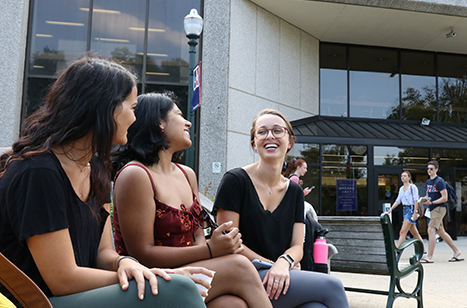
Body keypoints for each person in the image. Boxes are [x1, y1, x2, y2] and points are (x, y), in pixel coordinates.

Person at [0, 58, 208, 307]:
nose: (135, 118)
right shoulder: (38, 172)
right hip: (39, 301)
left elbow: (102, 253)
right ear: (106, 108)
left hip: (79, 294)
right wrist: (151, 275)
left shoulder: (96, 169)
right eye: (132, 108)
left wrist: (124, 263)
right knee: (179, 288)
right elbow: (62, 278)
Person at [111, 92, 272, 308]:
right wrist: (211, 250)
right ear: (159, 123)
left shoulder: (187, 174)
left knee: (232, 304)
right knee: (239, 266)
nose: (188, 122)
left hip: (191, 270)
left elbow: (197, 236)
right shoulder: (135, 174)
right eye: (178, 114)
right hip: (150, 278)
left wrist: (213, 247)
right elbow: (142, 253)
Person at [213, 109, 349, 307]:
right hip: (242, 274)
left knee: (316, 307)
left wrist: (284, 262)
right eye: (262, 131)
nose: (270, 136)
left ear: (290, 141)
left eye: (277, 130)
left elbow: (297, 246)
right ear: (254, 142)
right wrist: (273, 265)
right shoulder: (235, 181)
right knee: (333, 287)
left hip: (280, 272)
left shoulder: (294, 191)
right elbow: (230, 244)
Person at [418, 161, 463, 263]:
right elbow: (428, 195)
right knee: (440, 231)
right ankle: (456, 251)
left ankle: (429, 257)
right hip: (432, 208)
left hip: (439, 208)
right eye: (428, 168)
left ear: (436, 170)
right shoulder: (428, 182)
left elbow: (445, 197)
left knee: (430, 229)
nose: (429, 170)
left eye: (431, 169)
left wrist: (432, 202)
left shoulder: (440, 181)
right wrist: (423, 201)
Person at [385, 171, 424, 249]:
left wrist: (415, 212)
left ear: (409, 177)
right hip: (405, 210)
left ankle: (396, 251)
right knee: (415, 233)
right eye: (402, 176)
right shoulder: (401, 189)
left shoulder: (413, 187)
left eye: (405, 176)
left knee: (402, 232)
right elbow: (398, 200)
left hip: (411, 209)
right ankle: (424, 251)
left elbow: (416, 200)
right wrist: (391, 209)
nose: (403, 177)